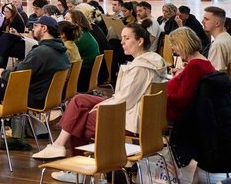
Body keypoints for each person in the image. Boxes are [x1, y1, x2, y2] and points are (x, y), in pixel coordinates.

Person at [32, 23, 168, 163]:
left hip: (130, 117)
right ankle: (60, 146)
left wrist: (103, 104)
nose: (121, 42)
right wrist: (105, 102)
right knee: (80, 100)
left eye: (127, 38)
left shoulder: (141, 68)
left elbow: (125, 100)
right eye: (122, 38)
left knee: (78, 121)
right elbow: (126, 96)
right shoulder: (153, 61)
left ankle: (77, 164)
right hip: (139, 112)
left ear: (139, 41)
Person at [0, 15, 71, 142]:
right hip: (47, 96)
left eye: (36, 26)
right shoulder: (62, 51)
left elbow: (17, 75)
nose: (33, 29)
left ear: (44, 28)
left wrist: (2, 73)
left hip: (32, 96)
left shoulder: (42, 52)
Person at [166, 26, 214, 123]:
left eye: (174, 44)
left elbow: (182, 99)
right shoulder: (202, 61)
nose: (173, 49)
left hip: (179, 115)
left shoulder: (194, 66)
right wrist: (179, 75)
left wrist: (162, 95)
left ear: (182, 44)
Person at [65, 9, 103, 91]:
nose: (64, 22)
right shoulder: (84, 33)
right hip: (88, 73)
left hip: (82, 76)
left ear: (76, 22)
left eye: (67, 19)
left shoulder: (78, 37)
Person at [203, 6, 231, 72]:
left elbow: (215, 75)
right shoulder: (227, 36)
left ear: (217, 23)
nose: (202, 22)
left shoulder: (217, 45)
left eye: (206, 19)